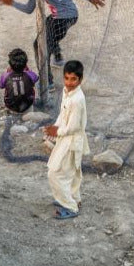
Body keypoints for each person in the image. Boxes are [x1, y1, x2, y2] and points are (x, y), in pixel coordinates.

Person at [44, 59, 90, 220]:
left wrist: (57, 132)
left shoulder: (77, 100)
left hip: (71, 141)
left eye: (73, 79)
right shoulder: (67, 92)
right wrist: (54, 128)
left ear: (80, 79)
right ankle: (74, 199)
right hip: (66, 139)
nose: (69, 83)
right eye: (67, 78)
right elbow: (63, 116)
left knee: (55, 173)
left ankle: (70, 207)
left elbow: (74, 126)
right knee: (72, 172)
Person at [0, 48, 39, 114]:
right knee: (33, 85)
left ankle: (10, 114)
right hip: (27, 106)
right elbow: (36, 79)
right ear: (25, 64)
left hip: (11, 106)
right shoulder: (30, 74)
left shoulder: (5, 75)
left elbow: (0, 86)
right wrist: (28, 71)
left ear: (10, 65)